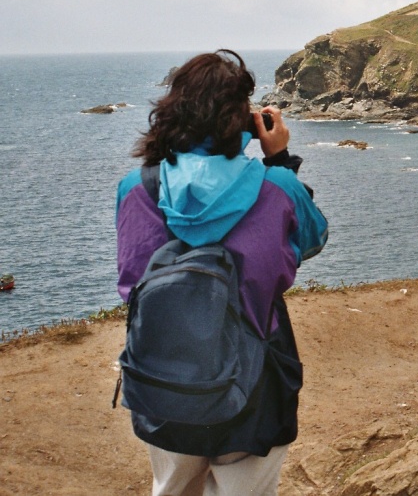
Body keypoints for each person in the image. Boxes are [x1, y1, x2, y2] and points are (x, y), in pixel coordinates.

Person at [115, 49, 328, 496]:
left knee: (172, 489)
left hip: (162, 375)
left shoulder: (137, 188)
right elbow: (311, 239)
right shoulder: (278, 188)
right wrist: (279, 158)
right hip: (255, 378)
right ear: (242, 119)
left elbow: (131, 281)